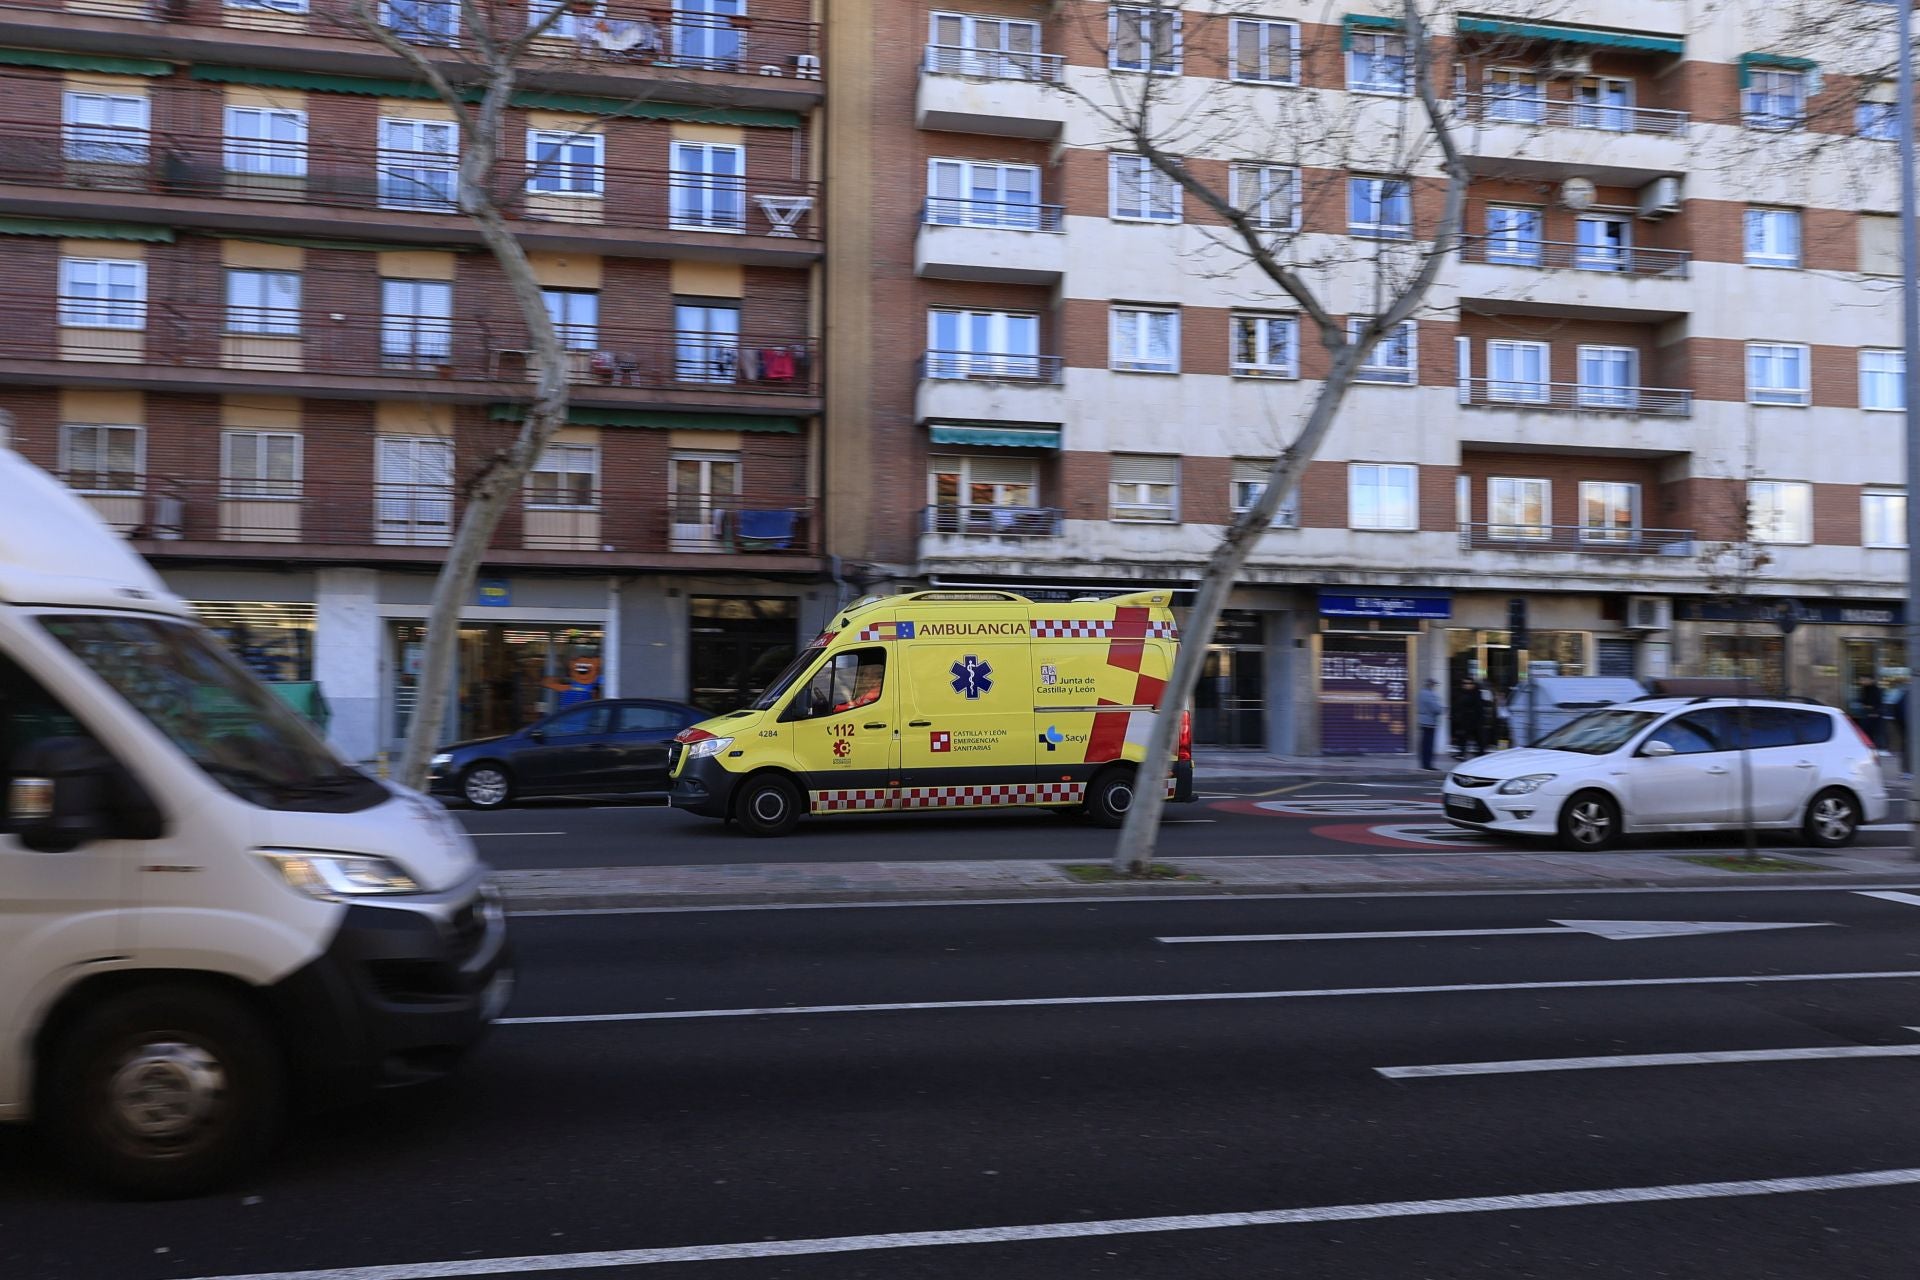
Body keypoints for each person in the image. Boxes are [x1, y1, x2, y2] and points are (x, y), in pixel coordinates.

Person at [1451, 676, 1484, 759]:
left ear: (1473, 684)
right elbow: (1457, 705)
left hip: (1474, 720)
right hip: (1464, 720)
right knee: (1463, 738)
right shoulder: (1461, 693)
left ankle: (1480, 753)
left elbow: (1479, 708)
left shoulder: (1476, 693)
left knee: (1478, 738)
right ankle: (1461, 754)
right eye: (1464, 683)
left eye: (1468, 683)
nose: (1466, 685)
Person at [1416, 678, 1444, 770]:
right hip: (1429, 722)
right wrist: (1442, 708)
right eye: (1434, 685)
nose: (1435, 687)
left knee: (1424, 744)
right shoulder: (1430, 694)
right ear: (1431, 685)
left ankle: (1424, 764)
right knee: (1429, 745)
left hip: (1423, 721)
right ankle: (1428, 765)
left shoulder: (1421, 693)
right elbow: (1436, 709)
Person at [1858, 675, 1885, 751]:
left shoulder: (1875, 689)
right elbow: (1863, 700)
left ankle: (1876, 747)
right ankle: (1869, 747)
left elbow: (1877, 702)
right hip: (1867, 713)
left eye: (1864, 680)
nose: (1862, 682)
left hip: (1874, 714)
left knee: (1874, 732)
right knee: (1866, 731)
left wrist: (1873, 710)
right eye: (1861, 680)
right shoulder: (1864, 689)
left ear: (1870, 680)